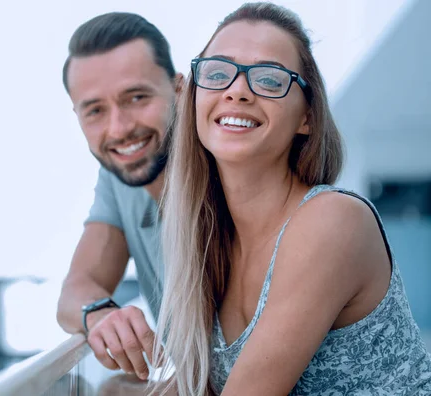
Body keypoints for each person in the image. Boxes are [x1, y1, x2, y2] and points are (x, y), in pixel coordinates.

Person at [152, 2, 431, 395]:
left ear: (308, 117)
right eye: (217, 73)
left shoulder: (332, 220)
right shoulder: (209, 241)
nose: (237, 91)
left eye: (268, 79)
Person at [56, 12, 183, 382]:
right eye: (95, 110)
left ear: (180, 90)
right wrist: (101, 313)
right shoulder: (120, 178)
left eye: (137, 97)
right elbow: (75, 290)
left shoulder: (230, 177)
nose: (120, 129)